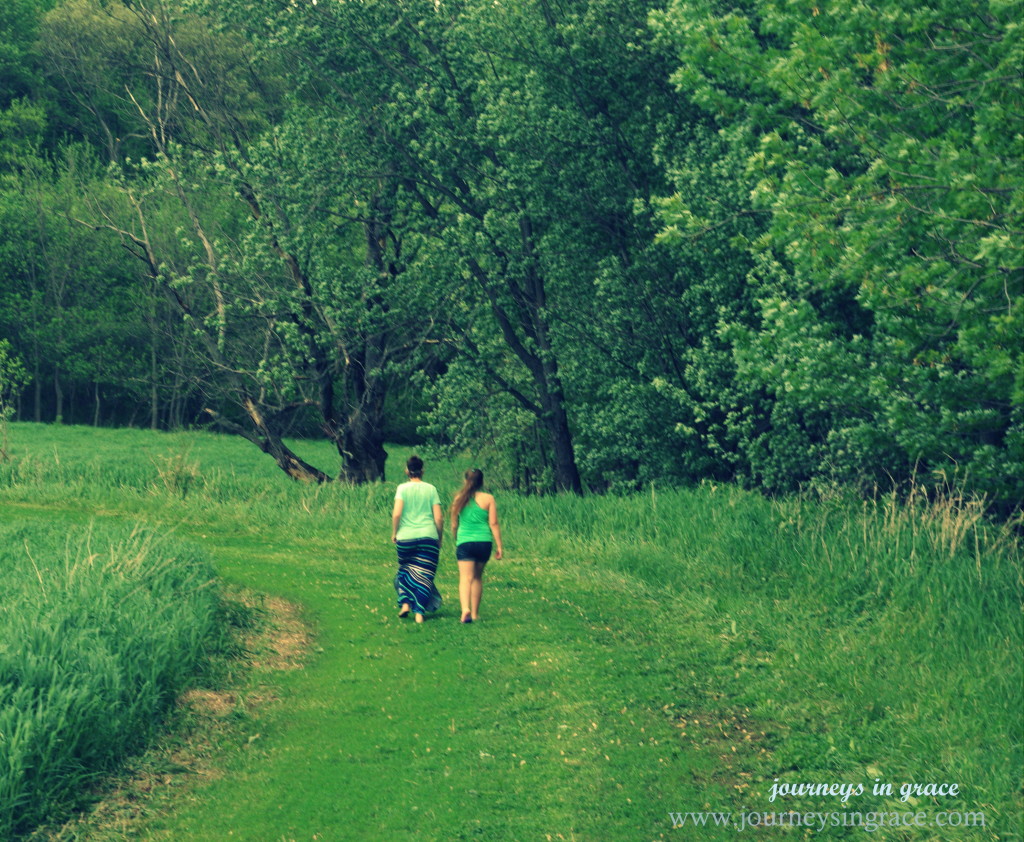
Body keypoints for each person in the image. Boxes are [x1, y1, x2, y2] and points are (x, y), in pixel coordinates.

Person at [391, 455, 443, 623]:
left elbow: (397, 513)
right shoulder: (431, 489)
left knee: (405, 571)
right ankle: (419, 612)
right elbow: (439, 518)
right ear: (423, 471)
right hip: (428, 537)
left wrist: (394, 532)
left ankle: (405, 604)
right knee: (425, 576)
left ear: (407, 471)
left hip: (406, 537)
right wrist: (439, 537)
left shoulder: (402, 489)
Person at [450, 468, 503, 623]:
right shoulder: (489, 499)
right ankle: (475, 614)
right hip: (484, 542)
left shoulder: (459, 499)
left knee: (465, 578)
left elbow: (454, 524)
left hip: (465, 542)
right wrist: (499, 546)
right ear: (482, 482)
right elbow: (493, 523)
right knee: (477, 578)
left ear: (465, 480)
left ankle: (465, 608)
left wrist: (456, 537)